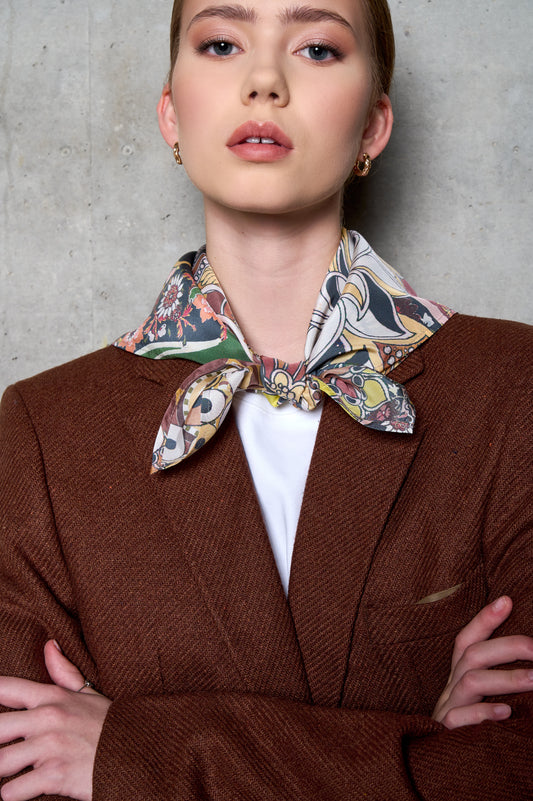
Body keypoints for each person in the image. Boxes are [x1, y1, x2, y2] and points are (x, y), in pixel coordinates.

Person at [0, 1, 531, 799]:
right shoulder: (43, 429)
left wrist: (139, 751)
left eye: (317, 49)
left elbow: (514, 769)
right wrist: (417, 745)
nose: (263, 82)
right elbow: (22, 770)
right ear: (172, 113)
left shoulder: (511, 387)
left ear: (374, 127)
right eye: (220, 43)